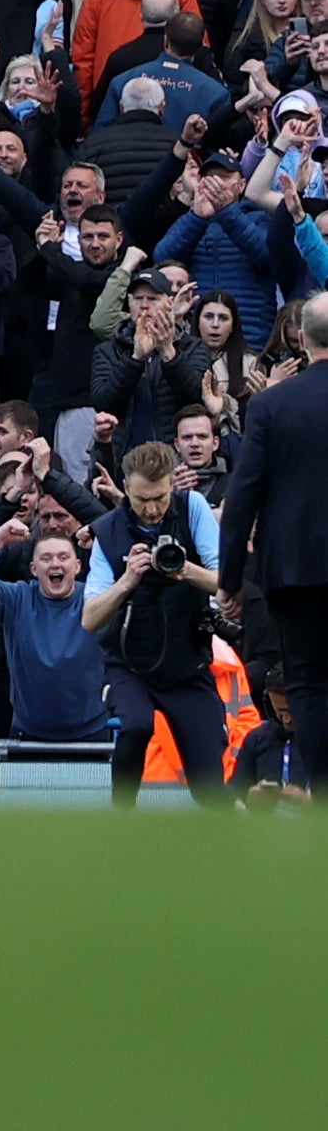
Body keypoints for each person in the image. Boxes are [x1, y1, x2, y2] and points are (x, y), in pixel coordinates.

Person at [221, 294, 328, 795]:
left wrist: (229, 582)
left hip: (295, 569)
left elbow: (242, 495)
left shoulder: (270, 404)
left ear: (301, 339)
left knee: (306, 682)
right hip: (294, 570)